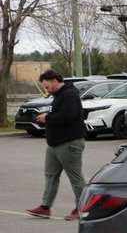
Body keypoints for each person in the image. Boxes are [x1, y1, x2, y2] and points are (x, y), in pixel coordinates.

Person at [25, 69, 87, 221]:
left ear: (54, 81)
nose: (47, 90)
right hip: (55, 144)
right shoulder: (59, 96)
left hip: (69, 143)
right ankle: (45, 207)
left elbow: (68, 115)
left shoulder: (70, 94)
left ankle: (82, 208)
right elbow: (59, 113)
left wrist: (48, 117)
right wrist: (47, 116)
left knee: (76, 178)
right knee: (50, 176)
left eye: (47, 87)